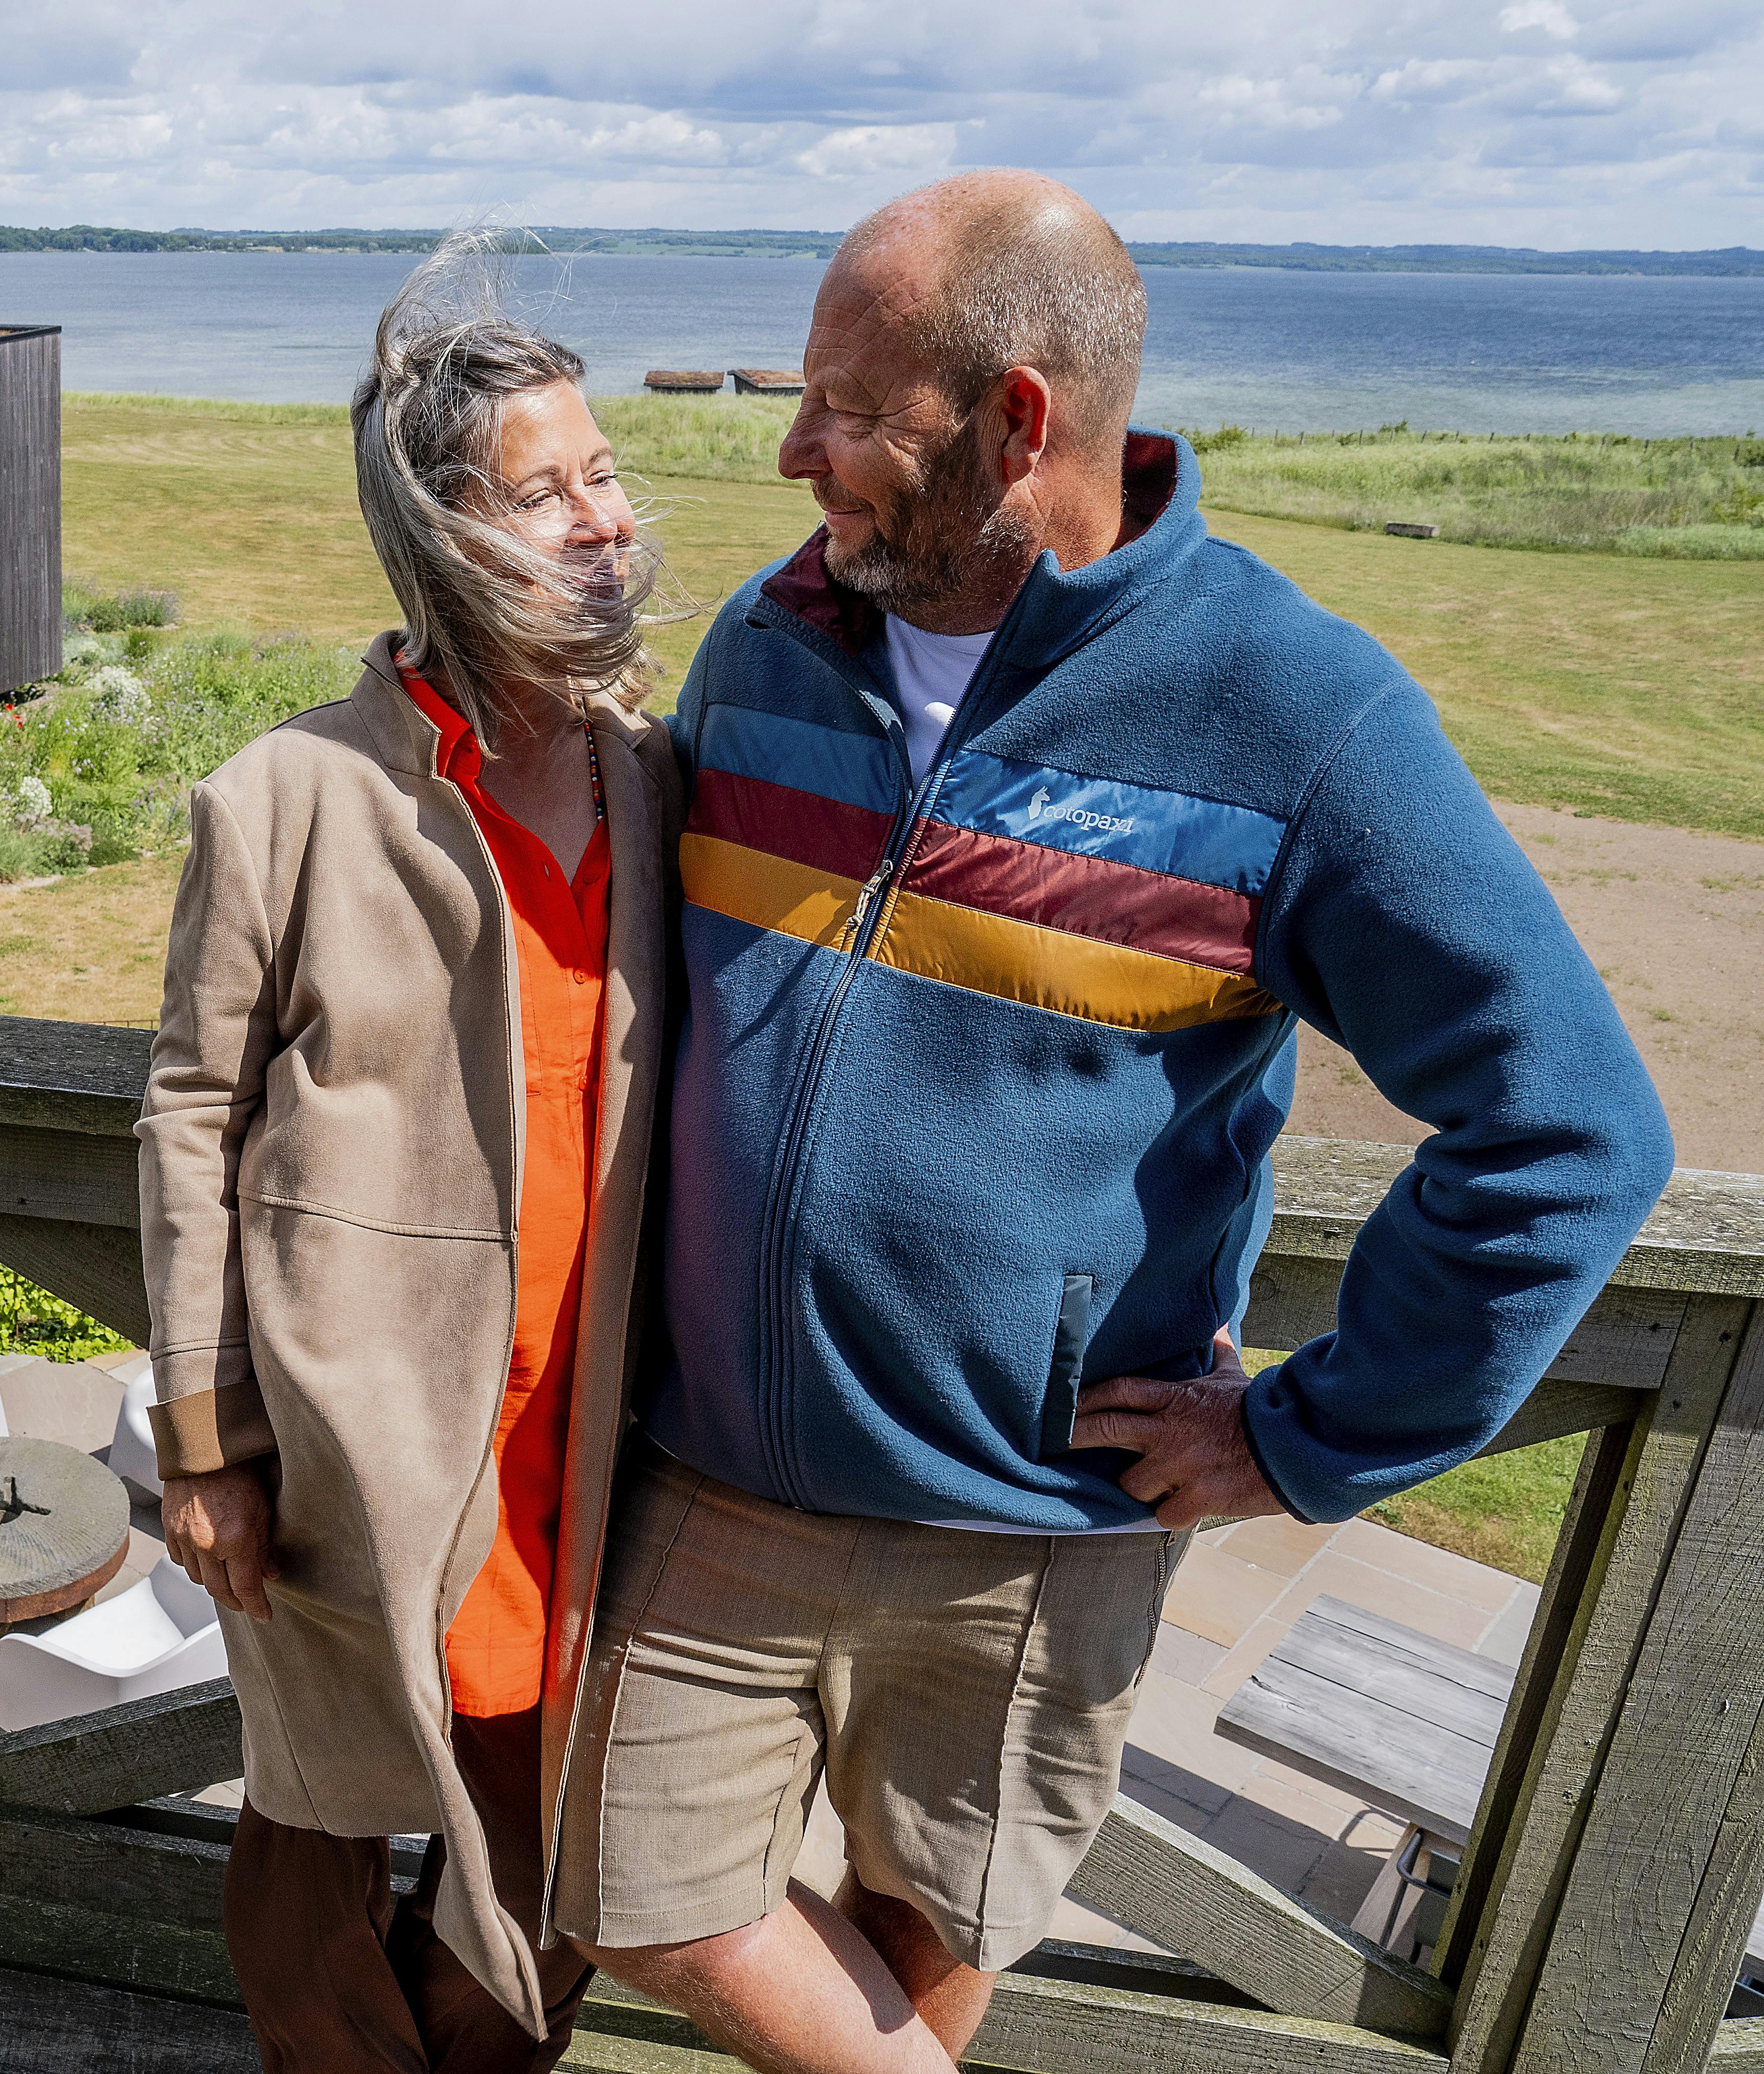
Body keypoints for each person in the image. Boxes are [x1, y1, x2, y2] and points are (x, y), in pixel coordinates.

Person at [550, 171, 1675, 2074]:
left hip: (1039, 1529)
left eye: (854, 411)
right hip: (713, 1480)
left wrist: (1317, 1435)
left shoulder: (1296, 713)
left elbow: (1570, 1123)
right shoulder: (768, 643)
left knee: (933, 1930)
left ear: (1021, 423)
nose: (797, 454)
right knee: (621, 1890)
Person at [135, 241, 684, 2072]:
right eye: (550, 488)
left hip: (585, 1435)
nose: (605, 518)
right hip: (348, 1438)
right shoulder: (288, 797)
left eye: (606, 471)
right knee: (313, 1837)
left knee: (535, 1867)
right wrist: (208, 1448)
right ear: (450, 533)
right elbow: (193, 1113)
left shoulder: (652, 783)